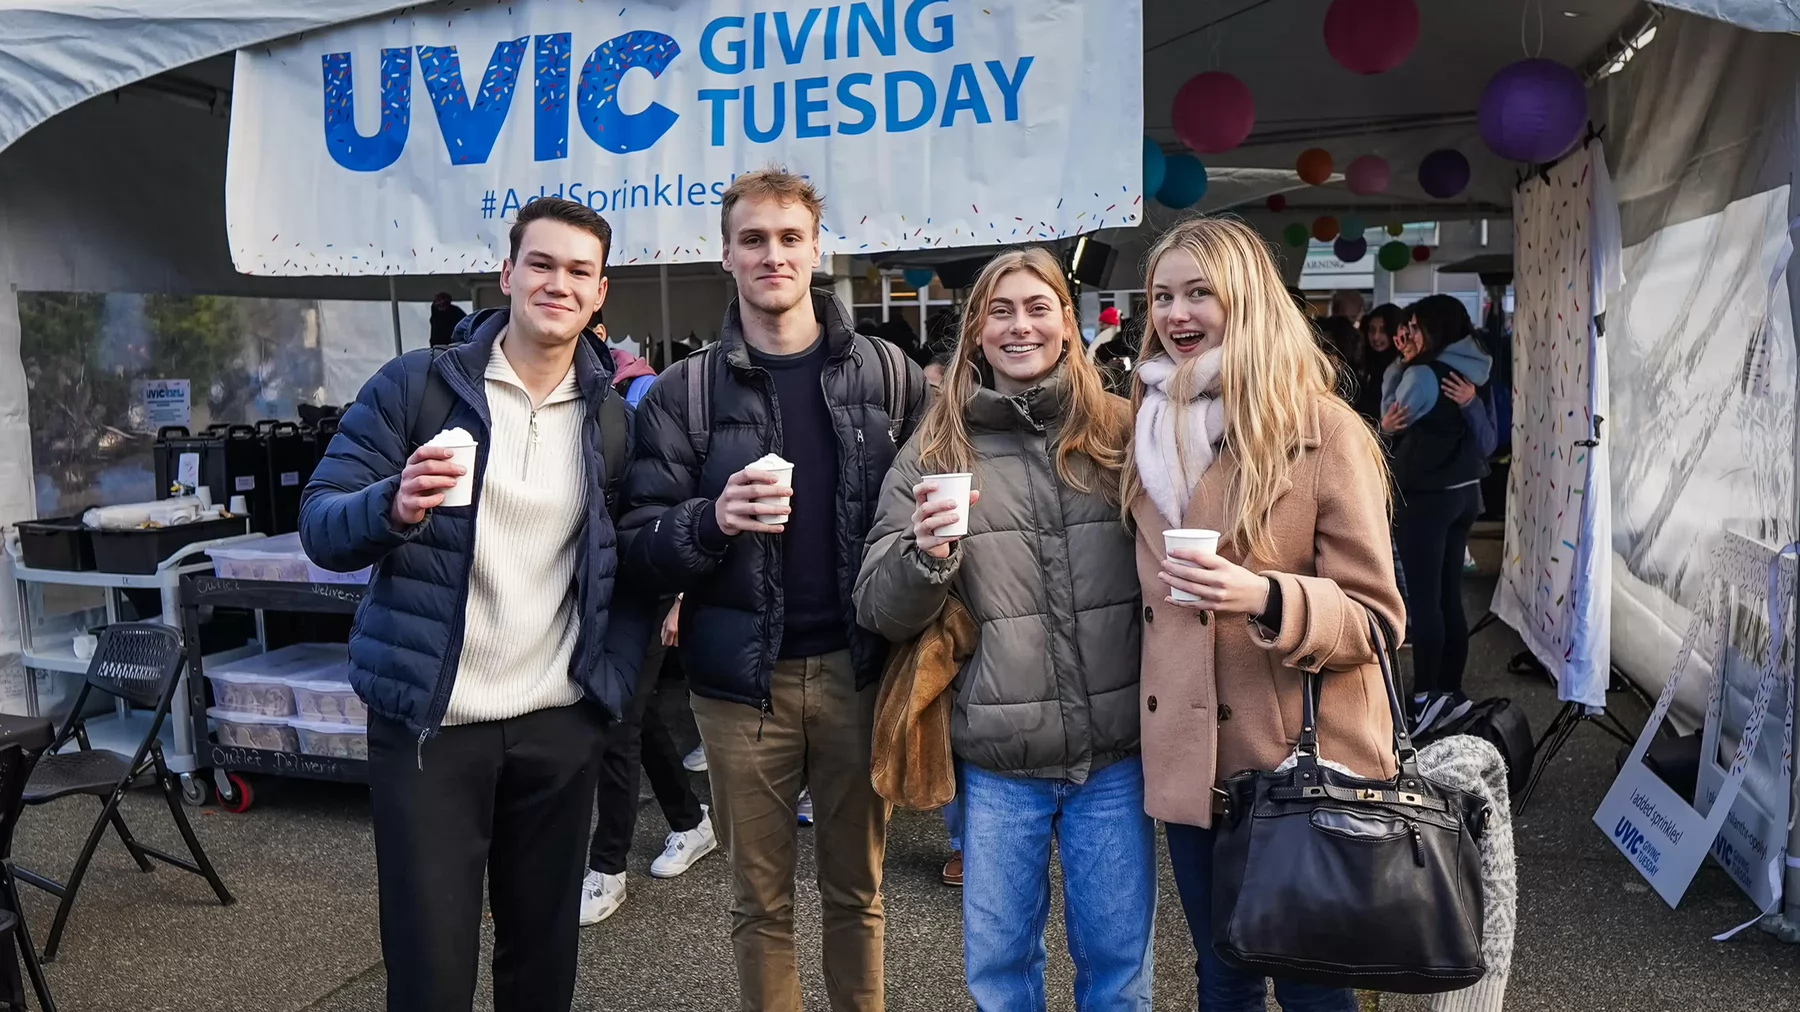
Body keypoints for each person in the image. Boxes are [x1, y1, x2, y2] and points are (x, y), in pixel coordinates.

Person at [300, 197, 647, 1012]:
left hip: (558, 722)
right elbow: (321, 522)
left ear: (600, 295)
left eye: (578, 272)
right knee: (430, 974)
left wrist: (611, 689)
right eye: (542, 263)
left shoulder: (611, 421)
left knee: (541, 967)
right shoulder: (416, 386)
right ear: (507, 273)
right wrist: (392, 504)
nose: (557, 283)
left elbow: (632, 564)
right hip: (432, 730)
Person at [619, 166, 927, 1012]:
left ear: (817, 249)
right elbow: (639, 547)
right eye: (753, 239)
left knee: (856, 893)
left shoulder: (891, 376)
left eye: (790, 238)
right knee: (759, 904)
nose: (772, 254)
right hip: (737, 687)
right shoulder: (683, 393)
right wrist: (713, 519)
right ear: (725, 255)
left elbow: (937, 492)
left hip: (857, 673)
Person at [857, 247, 1149, 1011]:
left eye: (1038, 307)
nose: (1020, 326)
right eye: (1001, 311)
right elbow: (879, 609)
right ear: (976, 330)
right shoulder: (936, 447)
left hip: (1116, 757)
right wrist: (924, 557)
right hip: (996, 761)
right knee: (1002, 977)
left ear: (1067, 323)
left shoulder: (1122, 433)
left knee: (1119, 977)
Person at [1125, 217, 1404, 1012]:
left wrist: (1266, 595)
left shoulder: (1322, 431)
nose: (1177, 315)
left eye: (1199, 294)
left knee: (1314, 985)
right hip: (1190, 762)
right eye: (1164, 296)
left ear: (1245, 300)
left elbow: (1378, 621)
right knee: (1224, 976)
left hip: (1295, 765)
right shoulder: (1144, 430)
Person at [1380, 295, 1495, 732]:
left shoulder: (1423, 374)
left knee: (1425, 602)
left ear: (1434, 328)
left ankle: (1426, 698)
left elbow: (1392, 419)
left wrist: (1400, 367)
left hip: (1427, 498)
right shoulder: (1468, 368)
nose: (1407, 333)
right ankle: (1450, 693)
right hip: (1465, 496)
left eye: (1414, 325)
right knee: (1448, 595)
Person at [580, 591, 717, 926]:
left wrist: (682, 601)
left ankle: (608, 868)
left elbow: (684, 538)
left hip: (654, 595)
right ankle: (690, 821)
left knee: (620, 721)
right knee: (639, 715)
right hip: (609, 596)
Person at [1351, 303, 1404, 423]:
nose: (1376, 337)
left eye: (1383, 330)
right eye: (1372, 330)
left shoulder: (1402, 366)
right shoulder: (1363, 363)